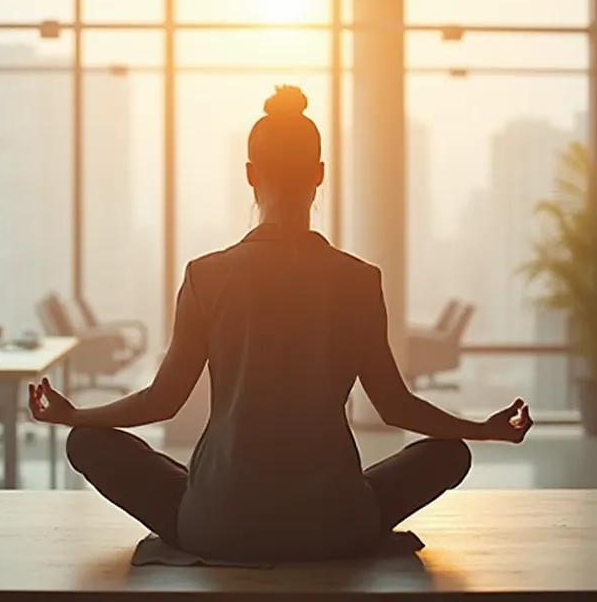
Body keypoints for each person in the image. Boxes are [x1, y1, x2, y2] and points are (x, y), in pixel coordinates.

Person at [28, 85, 533, 562]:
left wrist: (76, 417)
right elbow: (395, 405)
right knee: (449, 455)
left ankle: (213, 501)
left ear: (251, 174)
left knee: (89, 443)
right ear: (319, 173)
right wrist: (481, 430)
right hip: (336, 525)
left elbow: (162, 401)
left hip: (218, 524)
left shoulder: (206, 276)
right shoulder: (359, 280)